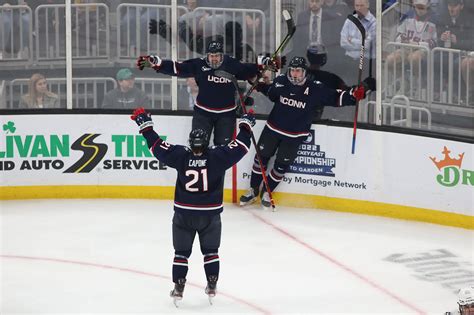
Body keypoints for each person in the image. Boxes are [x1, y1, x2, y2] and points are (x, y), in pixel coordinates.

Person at [130, 106, 255, 304]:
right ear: (206, 143)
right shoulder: (218, 156)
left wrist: (146, 126)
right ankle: (212, 283)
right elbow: (241, 146)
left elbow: (157, 146)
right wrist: (246, 125)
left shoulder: (181, 155)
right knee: (211, 252)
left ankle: (179, 287)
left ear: (190, 142)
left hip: (183, 215)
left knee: (181, 254)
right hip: (210, 215)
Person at [239, 56, 366, 209]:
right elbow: (270, 91)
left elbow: (336, 97)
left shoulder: (315, 88)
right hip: (272, 129)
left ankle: (267, 191)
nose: (294, 74)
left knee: (280, 167)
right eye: (292, 70)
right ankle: (253, 189)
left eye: (298, 71)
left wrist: (353, 95)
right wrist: (257, 83)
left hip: (294, 136)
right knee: (260, 160)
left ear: (304, 72)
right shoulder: (281, 81)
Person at [136, 40, 279, 146]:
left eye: (217, 55)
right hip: (203, 114)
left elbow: (248, 70)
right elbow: (178, 68)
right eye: (211, 56)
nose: (214, 58)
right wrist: (157, 64)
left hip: (226, 115)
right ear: (207, 55)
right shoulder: (199, 64)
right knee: (199, 147)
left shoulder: (231, 64)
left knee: (223, 151)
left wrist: (264, 64)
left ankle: (217, 184)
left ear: (222, 55)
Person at [306, 44, 376, 120]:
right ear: (324, 58)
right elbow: (346, 93)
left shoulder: (297, 74)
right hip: (314, 123)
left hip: (300, 122)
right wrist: (365, 86)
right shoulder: (329, 78)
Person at [386, 0, 438, 79]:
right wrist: (403, 40)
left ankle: (417, 83)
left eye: (422, 7)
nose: (420, 10)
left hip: (423, 50)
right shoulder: (408, 15)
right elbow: (398, 35)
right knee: (390, 59)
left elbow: (434, 42)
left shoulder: (434, 18)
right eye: (418, 7)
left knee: (414, 58)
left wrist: (418, 44)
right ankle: (402, 81)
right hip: (406, 47)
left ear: (427, 6)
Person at [340, 0, 376, 83]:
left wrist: (351, 40)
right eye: (357, 6)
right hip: (349, 61)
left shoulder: (374, 23)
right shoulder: (349, 20)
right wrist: (361, 41)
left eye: (361, 5)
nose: (359, 8)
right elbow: (343, 43)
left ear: (367, 5)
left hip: (365, 62)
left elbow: (367, 46)